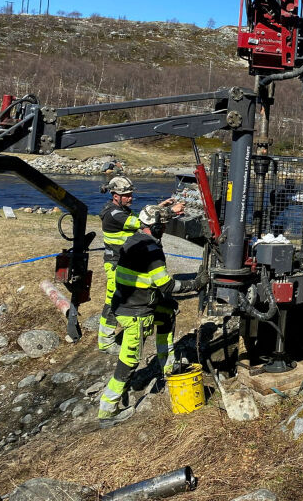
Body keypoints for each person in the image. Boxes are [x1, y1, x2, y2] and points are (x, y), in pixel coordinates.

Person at [98, 205, 208, 422]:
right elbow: (166, 285)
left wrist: (160, 300)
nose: (165, 228)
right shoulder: (152, 250)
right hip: (136, 313)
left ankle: (168, 367)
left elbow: (145, 280)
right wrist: (194, 284)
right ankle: (107, 411)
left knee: (167, 312)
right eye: (164, 225)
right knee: (128, 362)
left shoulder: (132, 240)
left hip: (130, 303)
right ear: (156, 226)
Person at [97, 176, 183, 352]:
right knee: (114, 299)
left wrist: (161, 208)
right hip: (115, 263)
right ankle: (105, 342)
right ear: (115, 195)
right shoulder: (114, 215)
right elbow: (143, 223)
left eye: (130, 194)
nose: (131, 198)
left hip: (124, 260)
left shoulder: (119, 209)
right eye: (127, 195)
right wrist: (171, 212)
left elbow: (145, 220)